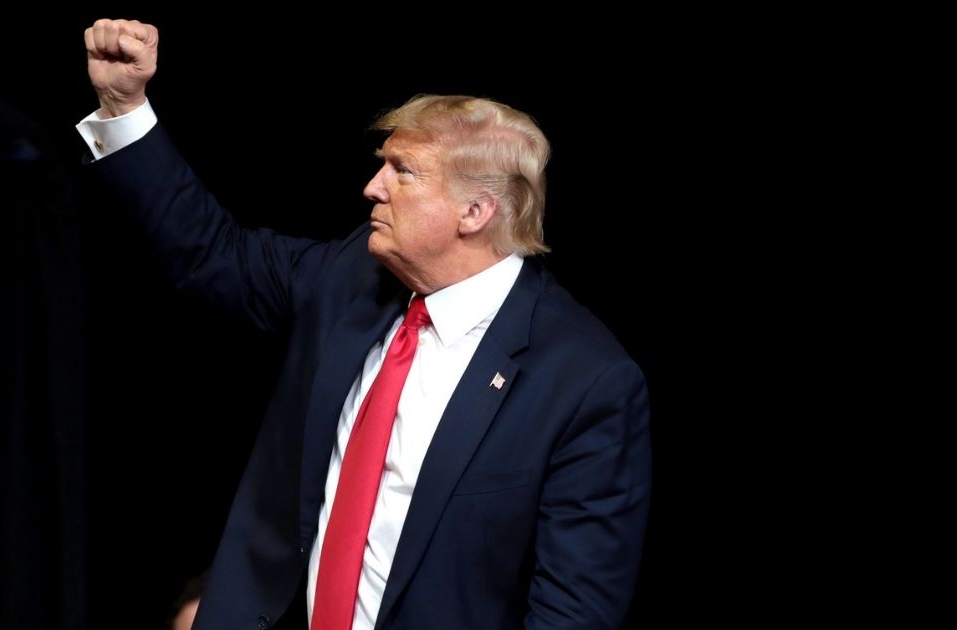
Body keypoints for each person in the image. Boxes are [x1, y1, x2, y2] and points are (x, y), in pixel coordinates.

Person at [78, 18, 651, 630]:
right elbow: (208, 251)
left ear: (475, 212)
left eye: (402, 171)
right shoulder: (349, 274)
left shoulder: (585, 381)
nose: (372, 187)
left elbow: (573, 612)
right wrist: (124, 105)